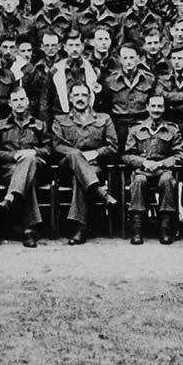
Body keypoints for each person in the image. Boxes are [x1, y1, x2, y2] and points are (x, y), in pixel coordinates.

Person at [51, 82, 118, 245]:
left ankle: (80, 227)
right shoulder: (60, 120)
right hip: (66, 165)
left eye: (83, 95)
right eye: (76, 95)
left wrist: (95, 153)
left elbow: (113, 146)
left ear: (90, 98)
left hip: (95, 166)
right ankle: (100, 192)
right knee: (74, 155)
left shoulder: (104, 118)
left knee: (79, 178)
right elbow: (57, 145)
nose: (80, 99)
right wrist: (79, 156)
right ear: (70, 99)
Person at [0, 86, 48, 247]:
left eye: (22, 99)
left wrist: (33, 152)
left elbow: (49, 150)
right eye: (15, 100)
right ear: (10, 103)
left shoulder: (40, 125)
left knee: (29, 162)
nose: (19, 103)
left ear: (27, 102)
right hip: (8, 169)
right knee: (27, 179)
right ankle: (29, 231)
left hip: (37, 166)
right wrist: (13, 155)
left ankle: (10, 198)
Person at [122, 94, 181, 245]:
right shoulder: (135, 129)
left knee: (167, 180)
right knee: (139, 181)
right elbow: (127, 155)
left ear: (164, 108)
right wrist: (143, 162)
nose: (156, 110)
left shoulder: (172, 130)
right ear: (147, 107)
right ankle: (137, 229)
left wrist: (161, 163)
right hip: (142, 170)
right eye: (153, 106)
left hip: (163, 170)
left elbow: (179, 155)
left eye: (160, 106)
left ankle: (165, 229)